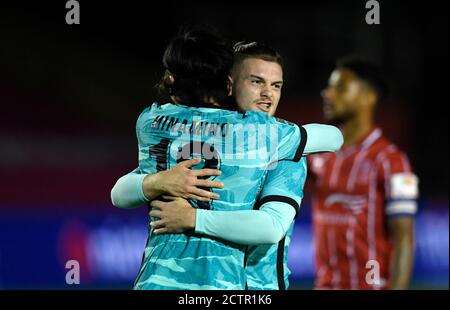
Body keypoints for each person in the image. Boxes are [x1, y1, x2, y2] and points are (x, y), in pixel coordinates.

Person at [112, 27, 342, 289]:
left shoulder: (152, 123)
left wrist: (187, 213)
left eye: (276, 85)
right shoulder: (271, 138)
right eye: (255, 81)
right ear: (229, 83)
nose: (267, 94)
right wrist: (158, 182)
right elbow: (334, 137)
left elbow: (271, 226)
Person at [308, 56, 418, 290]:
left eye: (340, 87)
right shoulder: (318, 156)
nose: (327, 93)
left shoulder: (391, 161)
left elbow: (404, 239)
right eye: (328, 87)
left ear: (368, 97)